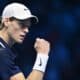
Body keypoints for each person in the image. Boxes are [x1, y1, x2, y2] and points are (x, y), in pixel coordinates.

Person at [0, 2, 50, 80]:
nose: (27, 30)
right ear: (6, 21)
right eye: (21, 24)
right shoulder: (2, 53)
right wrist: (42, 56)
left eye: (28, 26)